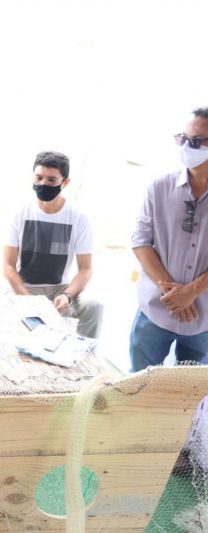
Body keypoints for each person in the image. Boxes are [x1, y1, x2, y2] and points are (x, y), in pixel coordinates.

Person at [130, 106, 208, 371]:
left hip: (204, 321)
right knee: (137, 385)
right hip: (155, 310)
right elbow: (141, 241)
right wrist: (172, 293)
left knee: (191, 392)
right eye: (182, 138)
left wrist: (192, 291)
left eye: (195, 142)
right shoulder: (160, 187)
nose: (186, 146)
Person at [3, 151, 103, 338]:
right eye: (39, 177)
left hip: (60, 288)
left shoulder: (78, 217)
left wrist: (67, 295)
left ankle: (85, 352)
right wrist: (26, 298)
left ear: (65, 182)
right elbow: (8, 265)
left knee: (94, 306)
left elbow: (86, 269)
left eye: (52, 180)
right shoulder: (20, 213)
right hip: (25, 288)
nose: (43, 184)